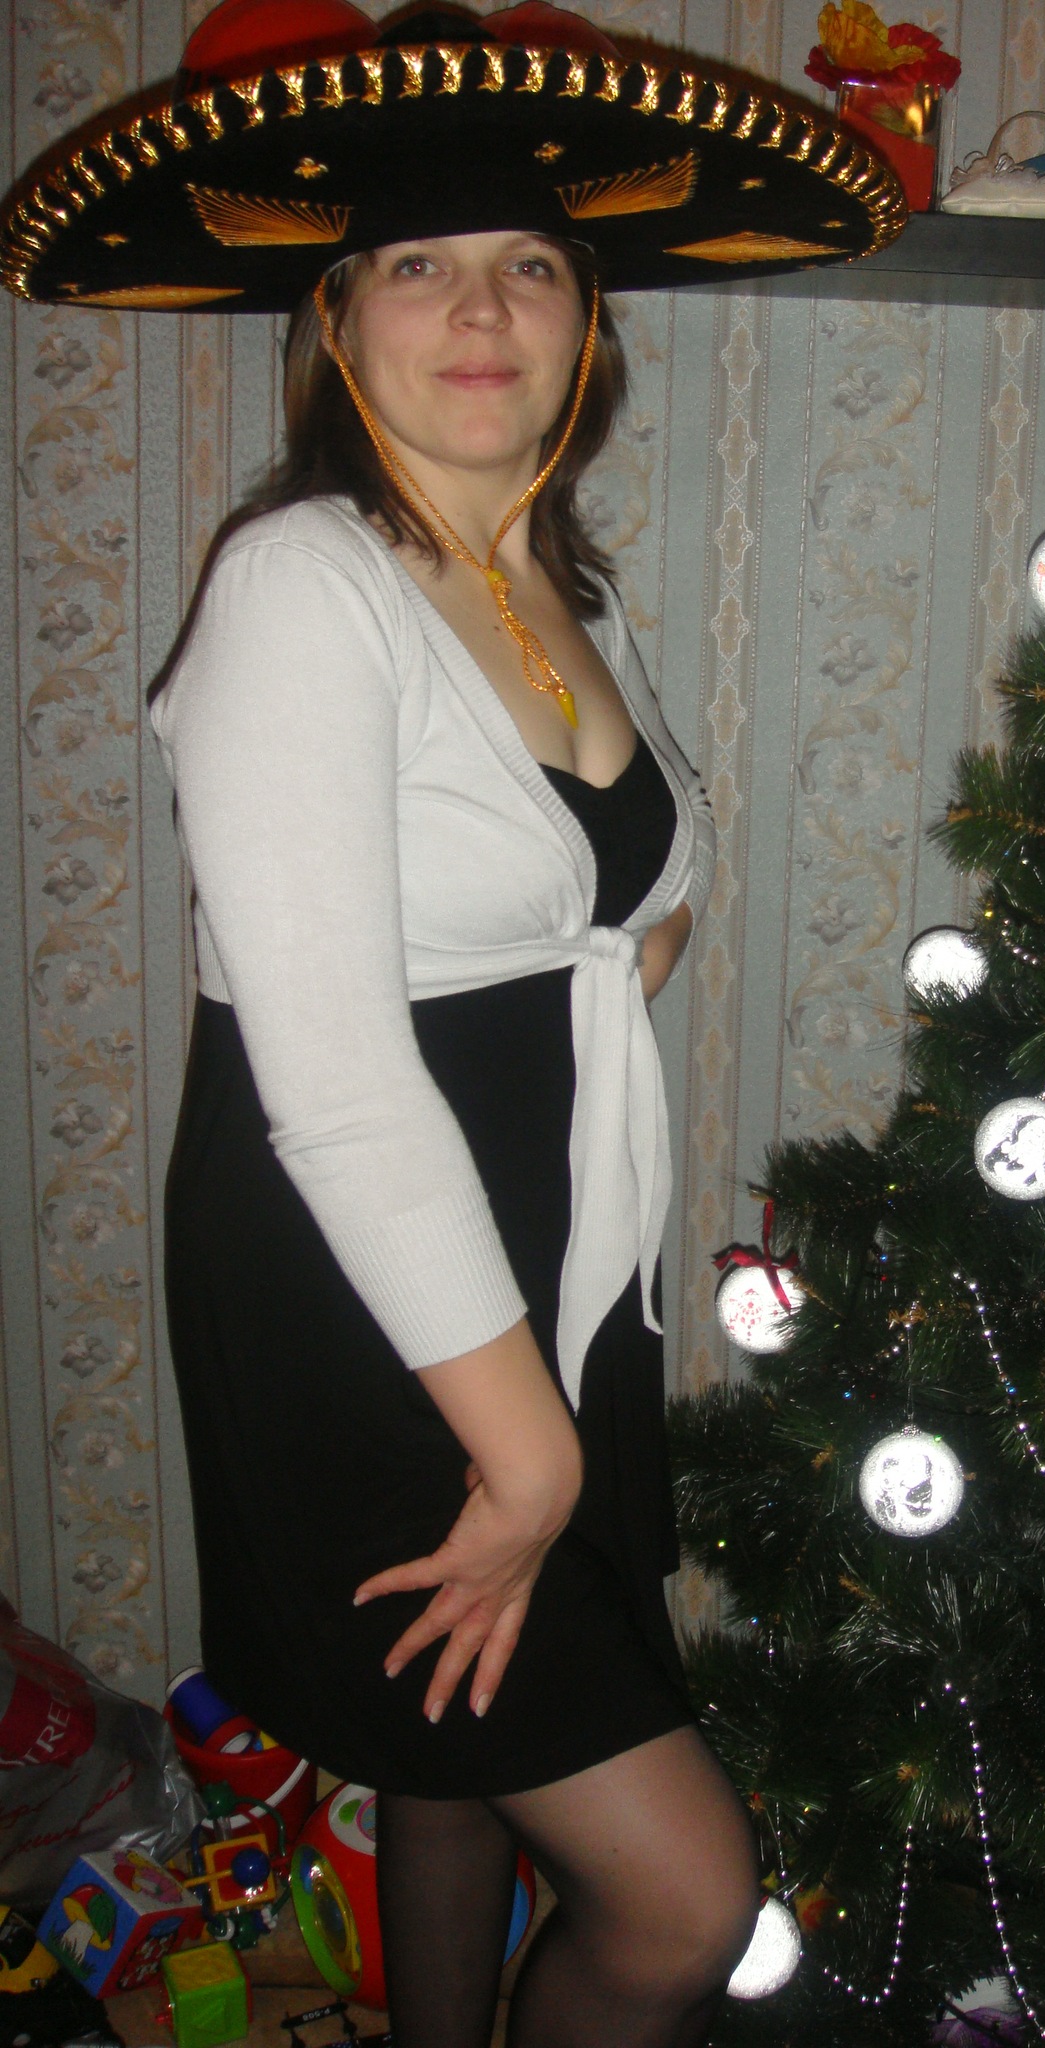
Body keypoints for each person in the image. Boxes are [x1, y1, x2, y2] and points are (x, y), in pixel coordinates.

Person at [2, 6, 905, 2043]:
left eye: (531, 268)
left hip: (551, 1273)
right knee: (680, 1897)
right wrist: (524, 1455)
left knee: (454, 1764)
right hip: (368, 1295)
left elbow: (620, 895)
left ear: (590, 326)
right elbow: (332, 1080)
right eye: (419, 265)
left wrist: (604, 973)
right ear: (335, 322)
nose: (482, 310)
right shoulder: (300, 585)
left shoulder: (558, 584)